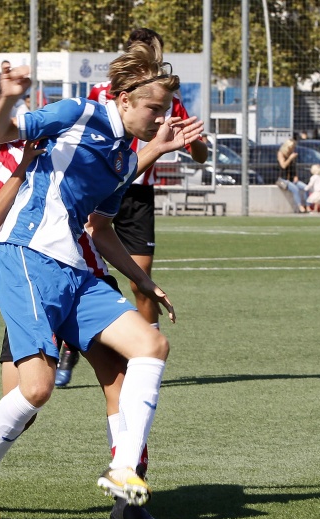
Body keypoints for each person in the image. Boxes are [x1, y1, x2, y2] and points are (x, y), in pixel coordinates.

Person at [0, 47, 203, 519]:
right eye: (154, 109)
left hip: (77, 272)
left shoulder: (123, 155)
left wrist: (144, 281)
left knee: (151, 344)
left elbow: (101, 228)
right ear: (126, 99)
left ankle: (124, 470)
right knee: (38, 389)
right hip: (26, 256)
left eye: (166, 111)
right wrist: (8, 97)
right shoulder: (78, 111)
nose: (160, 119)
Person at [87, 28, 208, 331]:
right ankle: (68, 344)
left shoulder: (166, 98)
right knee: (78, 270)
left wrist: (190, 138)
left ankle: (148, 346)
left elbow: (201, 154)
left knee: (140, 280)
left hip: (137, 193)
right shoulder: (100, 92)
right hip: (99, 188)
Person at [276, 138, 307, 213]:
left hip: (291, 179)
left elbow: (294, 167)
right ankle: (300, 207)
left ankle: (307, 206)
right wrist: (290, 158)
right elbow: (283, 166)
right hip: (282, 180)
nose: (293, 149)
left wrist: (296, 176)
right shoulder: (281, 153)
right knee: (295, 189)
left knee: (306, 187)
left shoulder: (292, 154)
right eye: (291, 147)